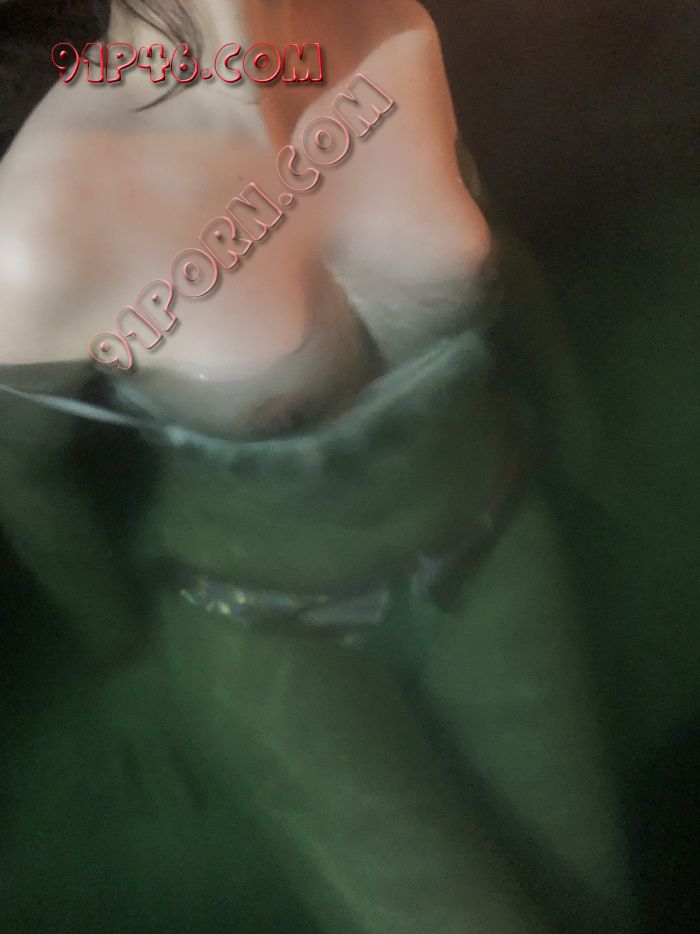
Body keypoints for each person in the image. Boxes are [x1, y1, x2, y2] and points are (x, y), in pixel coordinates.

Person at [0, 2, 634, 931]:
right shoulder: (37, 227)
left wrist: (578, 419)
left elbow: (494, 247)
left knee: (600, 903)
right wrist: (121, 653)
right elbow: (23, 474)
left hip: (494, 526)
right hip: (266, 621)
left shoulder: (388, 21)